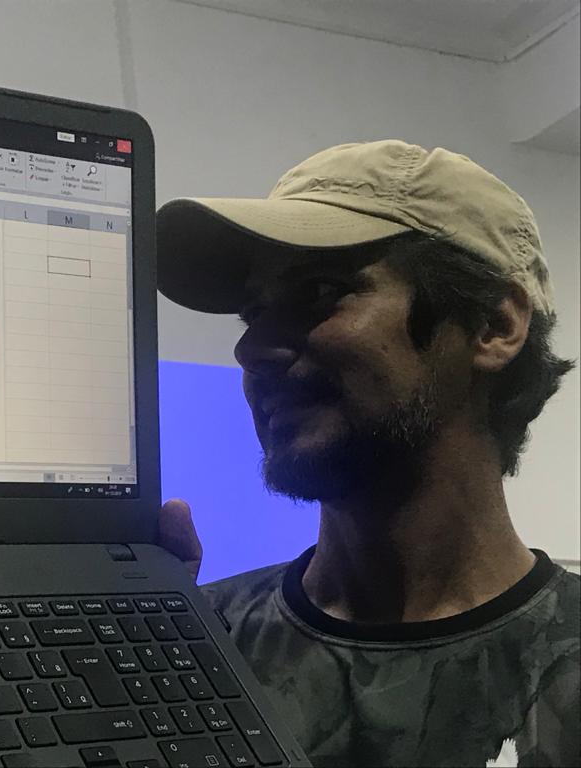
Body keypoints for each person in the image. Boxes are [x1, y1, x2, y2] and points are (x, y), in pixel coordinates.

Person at [155, 140, 579, 767]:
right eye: (253, 313)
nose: (251, 350)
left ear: (494, 325)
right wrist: (136, 662)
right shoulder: (200, 644)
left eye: (320, 290)